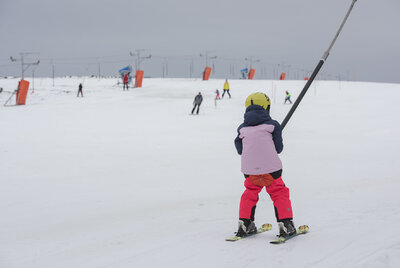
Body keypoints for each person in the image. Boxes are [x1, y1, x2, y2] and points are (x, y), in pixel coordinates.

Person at [233, 92, 296, 238]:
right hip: (271, 170)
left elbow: (239, 148)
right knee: (278, 192)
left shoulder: (242, 128)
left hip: (250, 170)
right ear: (266, 107)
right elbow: (278, 148)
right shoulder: (273, 125)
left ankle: (245, 223)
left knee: (250, 193)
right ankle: (286, 224)